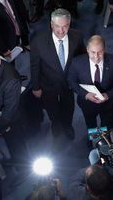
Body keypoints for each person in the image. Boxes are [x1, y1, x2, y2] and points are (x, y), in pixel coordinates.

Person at [30, 9, 86, 139]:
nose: (61, 31)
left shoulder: (77, 36)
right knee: (52, 110)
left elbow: (82, 57)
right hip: (48, 85)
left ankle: (67, 125)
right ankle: (56, 126)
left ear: (69, 24)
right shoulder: (38, 42)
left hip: (69, 84)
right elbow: (35, 66)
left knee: (69, 108)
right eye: (57, 26)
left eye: (65, 26)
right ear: (51, 24)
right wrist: (35, 87)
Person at [68, 35, 113, 131]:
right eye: (93, 52)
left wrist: (107, 95)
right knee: (91, 125)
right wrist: (86, 94)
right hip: (87, 103)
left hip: (108, 104)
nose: (96, 56)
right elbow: (71, 81)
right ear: (87, 49)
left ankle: (104, 143)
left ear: (104, 49)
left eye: (100, 52)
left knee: (107, 126)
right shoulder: (76, 63)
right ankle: (94, 140)